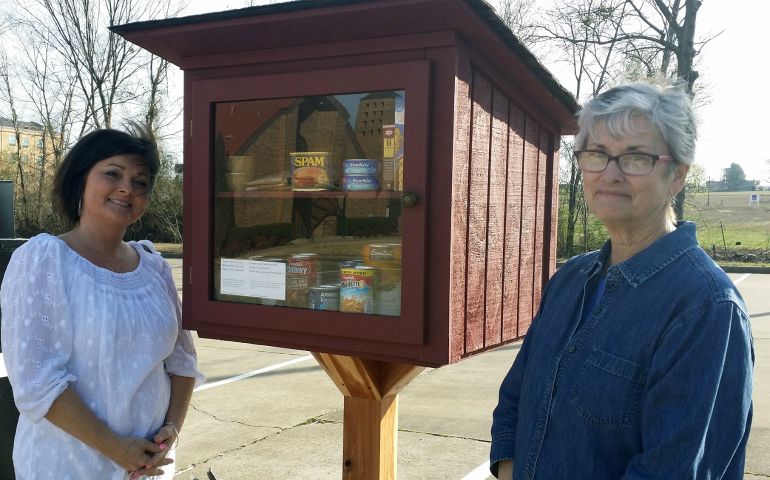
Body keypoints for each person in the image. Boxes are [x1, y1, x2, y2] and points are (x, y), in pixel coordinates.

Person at [489, 81, 754, 480]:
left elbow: (673, 471)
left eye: (635, 158)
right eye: (597, 154)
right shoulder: (571, 279)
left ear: (677, 174)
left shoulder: (706, 308)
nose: (609, 174)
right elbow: (515, 401)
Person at [1, 125, 205, 480]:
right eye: (113, 173)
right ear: (81, 179)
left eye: (141, 182)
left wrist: (171, 430)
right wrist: (114, 447)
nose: (128, 188)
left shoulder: (155, 268)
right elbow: (37, 381)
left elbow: (183, 362)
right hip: (67, 467)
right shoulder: (43, 259)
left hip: (147, 469)